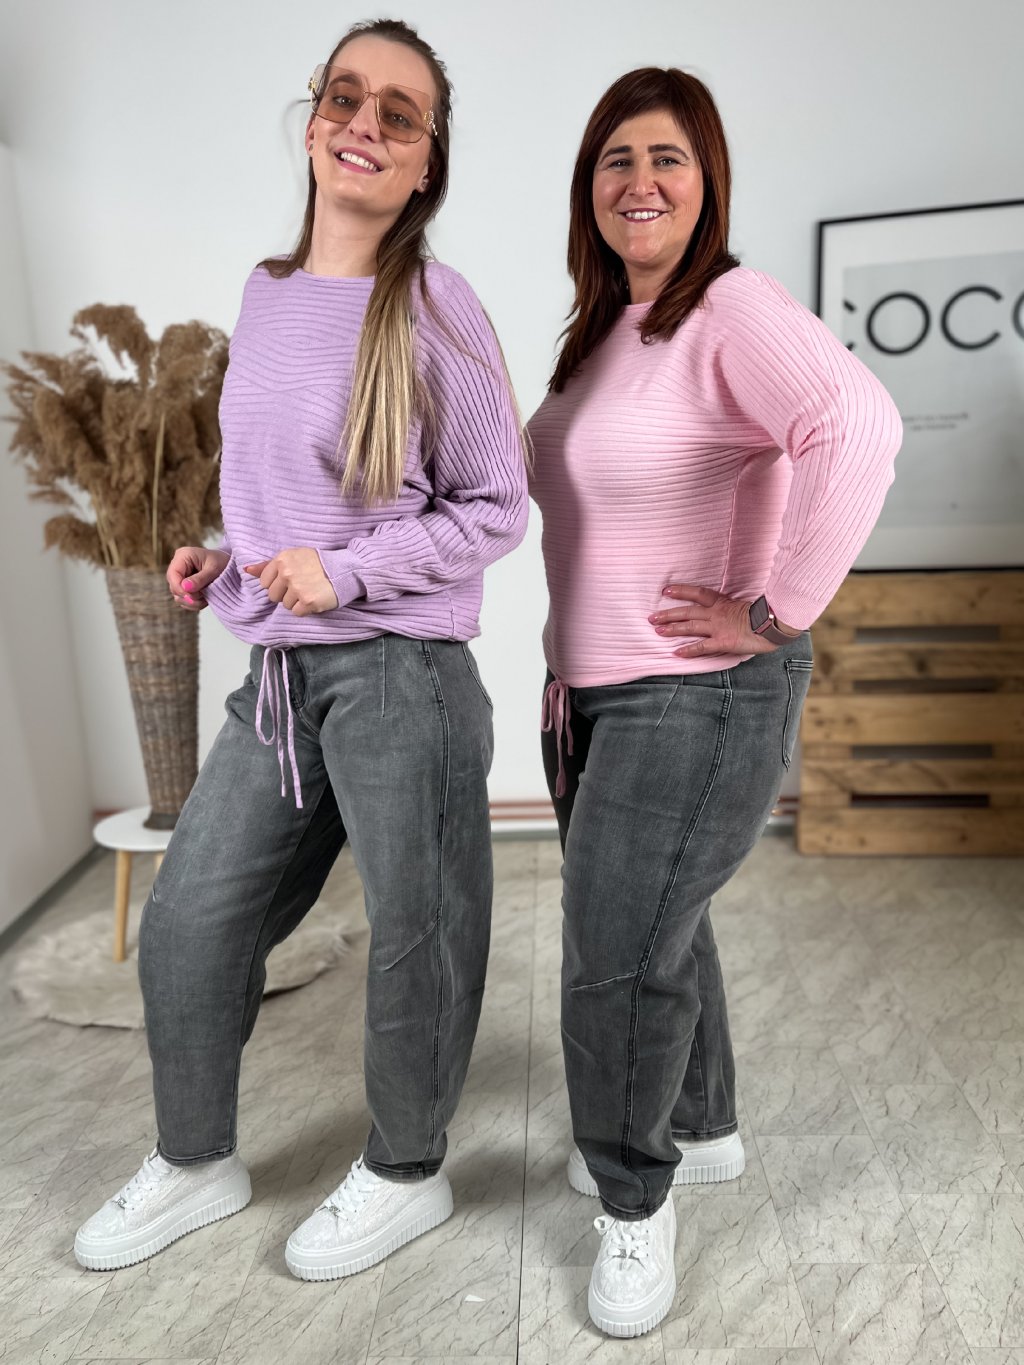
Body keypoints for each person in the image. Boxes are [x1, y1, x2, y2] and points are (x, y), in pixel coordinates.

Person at [75, 18, 527, 1281]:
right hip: (277, 677)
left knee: (418, 935)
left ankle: (408, 1171)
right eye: (345, 97)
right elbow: (291, 500)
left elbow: (496, 508)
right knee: (187, 925)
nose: (364, 125)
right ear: (315, 116)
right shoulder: (266, 293)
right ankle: (194, 1160)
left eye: (399, 113)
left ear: (427, 160)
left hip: (400, 677)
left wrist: (346, 572)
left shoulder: (435, 304)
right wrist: (227, 555)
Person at [528, 66, 901, 1338]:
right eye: (616, 158)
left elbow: (858, 426)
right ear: (588, 186)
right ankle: (702, 1128)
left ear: (708, 183)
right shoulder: (603, 333)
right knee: (656, 931)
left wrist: (775, 612)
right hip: (594, 697)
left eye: (667, 158)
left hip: (696, 697)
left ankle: (634, 1205)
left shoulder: (732, 307)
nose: (639, 181)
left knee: (615, 958)